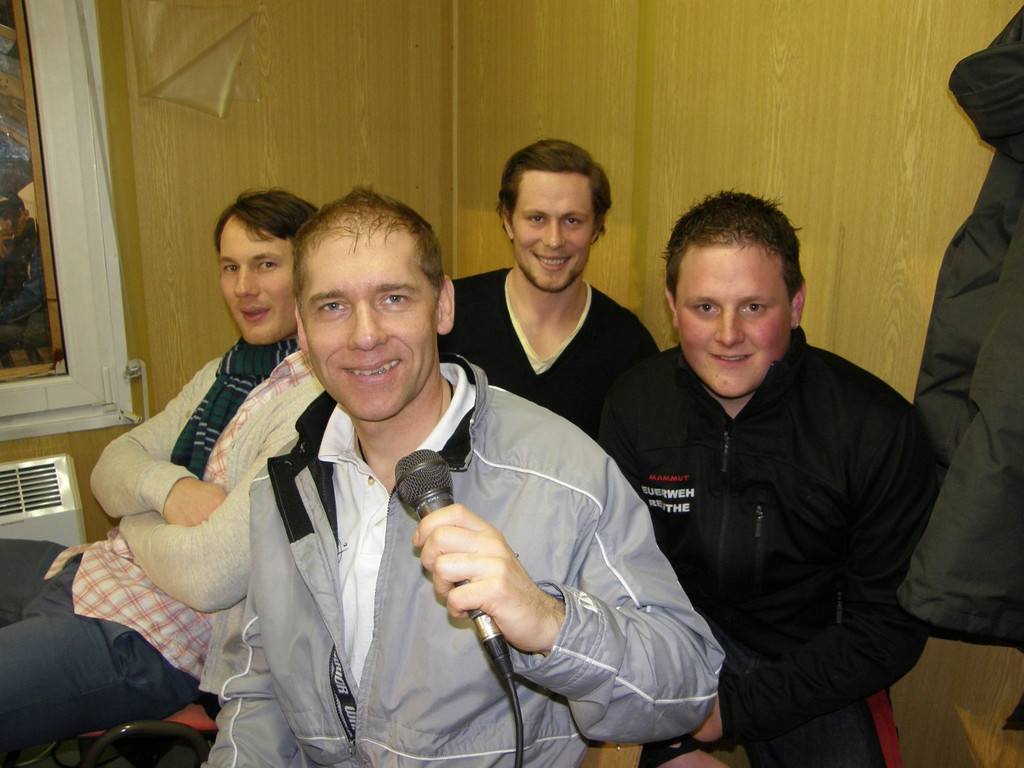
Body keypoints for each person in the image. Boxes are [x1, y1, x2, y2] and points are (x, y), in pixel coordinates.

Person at [206, 187, 724, 767]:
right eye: (332, 307)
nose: (365, 335)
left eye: (394, 298)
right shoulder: (282, 484)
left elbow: (686, 689)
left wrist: (549, 622)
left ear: (443, 307)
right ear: (301, 330)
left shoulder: (564, 476)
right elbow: (255, 691)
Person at [599, 191, 936, 768]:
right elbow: (611, 573)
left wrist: (733, 712)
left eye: (754, 307)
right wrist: (669, 737)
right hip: (673, 638)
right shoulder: (634, 403)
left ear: (796, 304)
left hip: (811, 660)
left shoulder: (877, 427)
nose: (728, 335)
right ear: (673, 306)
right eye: (705, 307)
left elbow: (888, 628)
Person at [0, 188, 320, 750]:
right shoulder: (224, 373)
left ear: (309, 272)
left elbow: (207, 577)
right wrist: (171, 491)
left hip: (151, 640)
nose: (243, 287)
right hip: (94, 571)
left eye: (265, 264)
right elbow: (110, 466)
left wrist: (137, 516)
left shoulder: (314, 404)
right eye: (230, 267)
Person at [438, 139, 658, 438]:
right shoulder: (448, 316)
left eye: (572, 220)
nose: (554, 240)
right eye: (537, 218)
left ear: (596, 228)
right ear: (508, 221)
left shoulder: (629, 346)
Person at [0, 187, 47, 353]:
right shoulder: (11, 245)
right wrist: (2, 260)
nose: (9, 223)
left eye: (15, 215)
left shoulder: (38, 244)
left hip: (34, 322)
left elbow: (34, 296)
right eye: (4, 217)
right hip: (15, 317)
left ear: (26, 215)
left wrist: (2, 316)